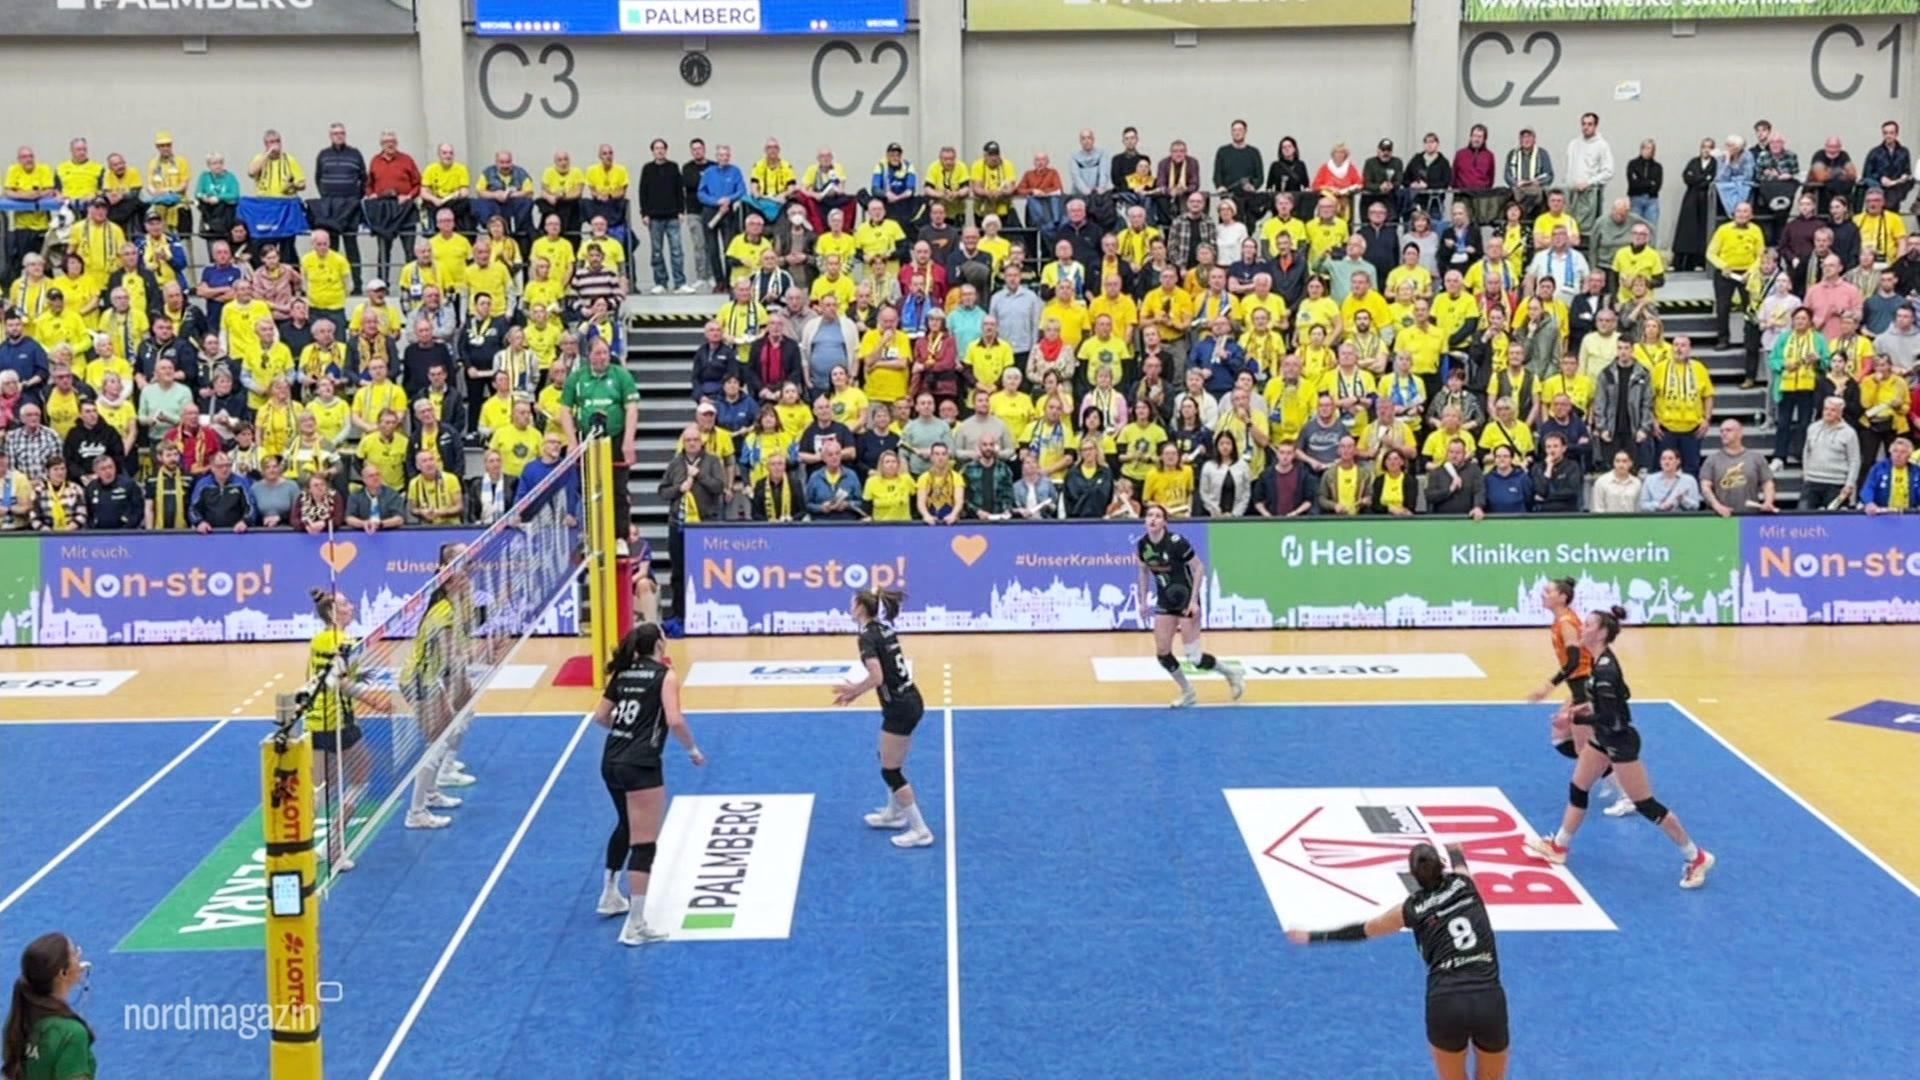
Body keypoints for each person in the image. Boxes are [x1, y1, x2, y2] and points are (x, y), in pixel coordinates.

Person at [1527, 607, 1716, 889]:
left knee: (1646, 805)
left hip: (1618, 743)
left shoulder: (1604, 669)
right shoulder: (1598, 661)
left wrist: (1575, 717)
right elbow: (1620, 697)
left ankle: (1696, 856)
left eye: (1588, 625)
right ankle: (1559, 846)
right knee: (1578, 787)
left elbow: (1614, 718)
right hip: (1602, 739)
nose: (1581, 628)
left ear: (1601, 632)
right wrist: (1582, 707)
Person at [1285, 843, 1508, 1080]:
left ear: (1413, 878)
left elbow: (1363, 930)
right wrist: (1455, 851)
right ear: (1442, 866)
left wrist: (1314, 936)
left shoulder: (1409, 909)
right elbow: (1461, 867)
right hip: (1488, 998)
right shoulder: (1465, 885)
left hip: (1445, 1002)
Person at [591, 623, 705, 945]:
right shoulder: (665, 675)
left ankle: (610, 895)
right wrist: (692, 750)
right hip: (640, 765)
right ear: (659, 643)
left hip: (610, 760)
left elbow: (600, 717)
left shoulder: (623, 673)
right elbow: (675, 720)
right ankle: (636, 925)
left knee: (626, 824)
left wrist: (627, 729)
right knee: (644, 843)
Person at [833, 587, 935, 849]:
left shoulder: (866, 637)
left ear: (859, 608)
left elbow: (877, 677)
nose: (849, 606)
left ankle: (920, 830)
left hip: (900, 707)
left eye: (852, 602)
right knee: (887, 758)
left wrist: (853, 691)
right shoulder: (884, 628)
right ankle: (894, 814)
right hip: (910, 699)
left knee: (891, 771)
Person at [1135, 503, 1245, 708]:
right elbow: (1142, 571)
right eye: (1149, 515)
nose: (1153, 519)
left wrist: (1194, 601)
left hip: (1186, 601)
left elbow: (1199, 568)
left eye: (1158, 516)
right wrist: (1142, 601)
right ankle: (1188, 691)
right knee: (1162, 652)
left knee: (1194, 657)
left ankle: (1230, 672)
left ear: (1165, 522)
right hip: (1165, 601)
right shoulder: (1142, 545)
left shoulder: (1176, 542)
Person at [2, 932, 95, 1080]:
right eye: (74, 954)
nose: (79, 957)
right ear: (62, 973)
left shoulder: (17, 1020)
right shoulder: (72, 1033)